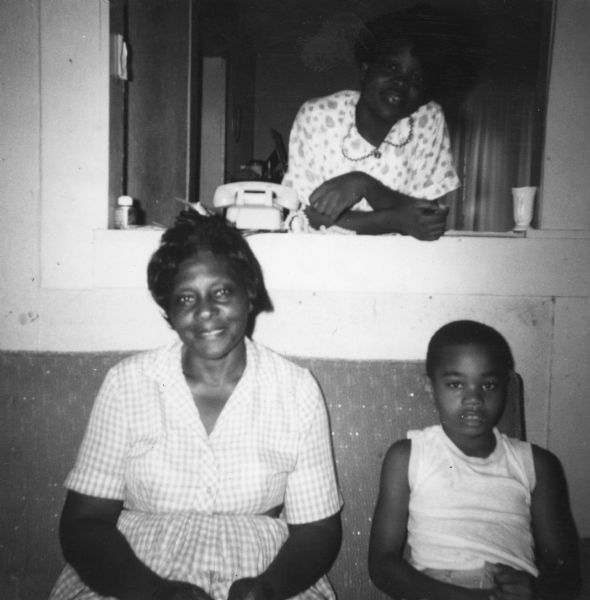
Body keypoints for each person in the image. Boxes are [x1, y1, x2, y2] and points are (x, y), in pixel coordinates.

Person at [49, 212, 343, 600]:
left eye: (222, 292)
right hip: (131, 575)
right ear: (168, 312)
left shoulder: (295, 390)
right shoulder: (128, 383)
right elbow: (84, 523)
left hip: (264, 572)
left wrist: (269, 588)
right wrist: (153, 593)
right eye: (186, 298)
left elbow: (317, 530)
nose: (205, 311)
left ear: (249, 293)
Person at [368, 320, 581, 600]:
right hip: (435, 589)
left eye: (488, 384)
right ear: (430, 387)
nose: (474, 399)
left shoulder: (537, 464)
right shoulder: (408, 456)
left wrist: (536, 590)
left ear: (505, 386)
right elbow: (382, 565)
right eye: (456, 384)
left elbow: (565, 570)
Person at [281, 6, 464, 239]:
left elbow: (427, 221)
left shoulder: (428, 118)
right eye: (392, 66)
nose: (402, 82)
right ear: (366, 69)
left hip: (397, 263)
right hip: (323, 261)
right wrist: (394, 219)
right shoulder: (317, 115)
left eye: (418, 78)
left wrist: (364, 185)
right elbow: (307, 218)